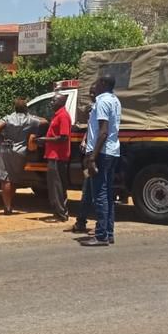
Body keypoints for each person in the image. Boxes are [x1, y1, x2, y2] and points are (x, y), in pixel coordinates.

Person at [82, 76, 122, 247]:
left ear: (104, 84)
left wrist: (92, 157)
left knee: (100, 195)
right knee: (107, 195)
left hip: (102, 153)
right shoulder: (115, 100)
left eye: (97, 83)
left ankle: (100, 235)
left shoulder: (102, 102)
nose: (95, 86)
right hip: (113, 152)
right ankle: (108, 233)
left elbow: (103, 131)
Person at [0, 98, 47, 215]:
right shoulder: (30, 120)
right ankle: (11, 202)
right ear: (26, 108)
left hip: (6, 148)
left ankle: (7, 207)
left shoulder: (8, 118)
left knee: (5, 178)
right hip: (20, 151)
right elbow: (45, 121)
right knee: (13, 179)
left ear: (15, 108)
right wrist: (32, 116)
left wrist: (1, 139)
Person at [38, 93, 72, 222]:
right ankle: (59, 212)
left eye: (54, 100)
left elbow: (63, 137)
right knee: (54, 185)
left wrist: (44, 139)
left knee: (57, 186)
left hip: (58, 156)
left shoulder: (63, 116)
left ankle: (61, 214)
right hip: (53, 155)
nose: (51, 102)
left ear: (61, 102)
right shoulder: (57, 115)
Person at [68, 89, 97, 235]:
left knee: (93, 191)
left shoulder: (97, 110)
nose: (91, 95)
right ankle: (82, 221)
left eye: (93, 92)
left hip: (94, 158)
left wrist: (91, 157)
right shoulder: (95, 112)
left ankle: (96, 226)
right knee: (89, 191)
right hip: (90, 156)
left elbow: (99, 134)